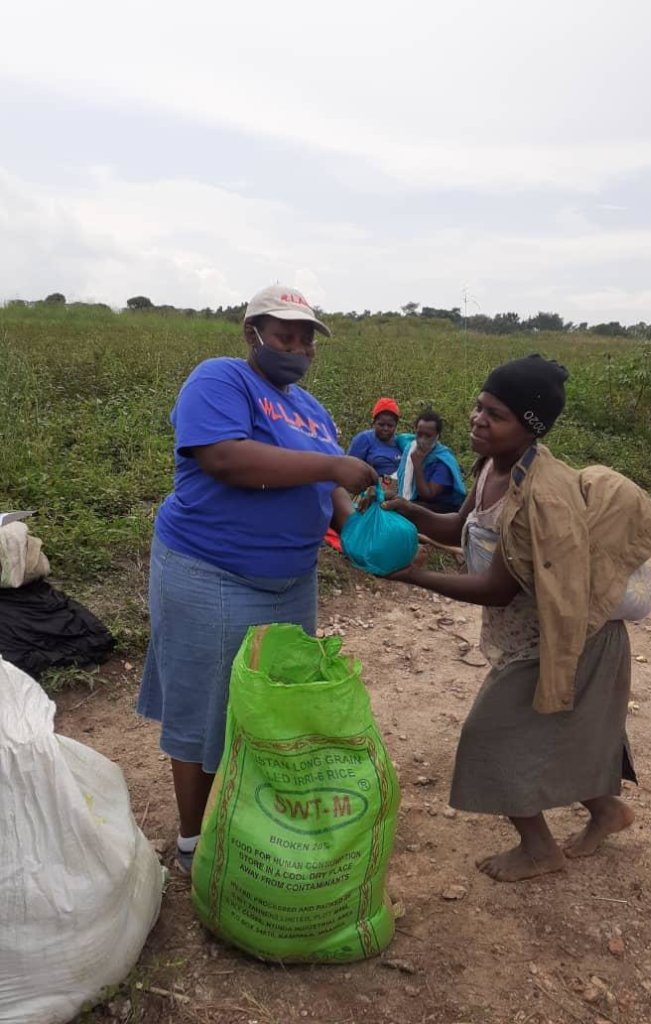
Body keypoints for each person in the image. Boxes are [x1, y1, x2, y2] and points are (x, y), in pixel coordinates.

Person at [384, 355, 651, 883]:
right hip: (527, 636)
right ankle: (608, 812)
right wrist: (406, 509)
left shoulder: (540, 493)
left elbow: (496, 587)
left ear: (530, 427)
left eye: (496, 413)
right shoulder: (492, 467)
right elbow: (458, 527)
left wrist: (410, 576)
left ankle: (539, 849)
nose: (477, 418)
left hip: (566, 639)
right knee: (560, 732)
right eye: (479, 405)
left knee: (488, 738)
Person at [137, 284, 378, 873]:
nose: (296, 347)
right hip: (210, 570)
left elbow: (330, 491)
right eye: (284, 335)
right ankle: (194, 842)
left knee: (269, 705)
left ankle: (247, 821)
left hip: (291, 580)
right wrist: (331, 464)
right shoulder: (220, 379)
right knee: (204, 706)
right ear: (253, 334)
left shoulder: (312, 410)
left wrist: (363, 530)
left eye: (305, 339)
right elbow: (224, 457)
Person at [395, 408, 466, 513]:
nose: (422, 440)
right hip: (416, 501)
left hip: (439, 508)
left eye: (428, 436)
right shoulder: (411, 449)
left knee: (404, 508)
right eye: (419, 434)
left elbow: (428, 495)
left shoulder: (442, 461)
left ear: (437, 436)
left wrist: (417, 465)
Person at [346, 397, 403, 483]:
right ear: (374, 423)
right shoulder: (364, 439)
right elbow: (349, 468)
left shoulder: (400, 441)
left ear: (395, 425)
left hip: (397, 489)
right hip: (371, 490)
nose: (385, 429)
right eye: (381, 425)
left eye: (390, 425)